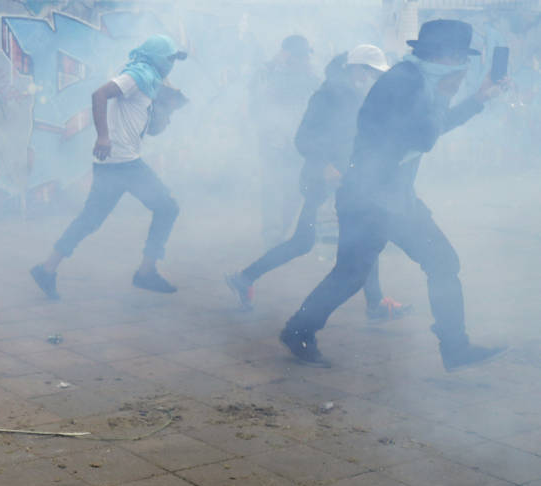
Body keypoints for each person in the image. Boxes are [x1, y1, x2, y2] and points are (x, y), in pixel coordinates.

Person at [280, 20, 507, 372]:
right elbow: (425, 137)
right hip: (371, 199)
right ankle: (298, 330)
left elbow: (432, 127)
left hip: (388, 197)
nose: (464, 66)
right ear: (444, 56)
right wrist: (449, 94)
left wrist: (476, 99)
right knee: (353, 275)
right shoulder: (405, 83)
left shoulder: (419, 80)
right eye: (460, 58)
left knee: (434, 263)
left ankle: (455, 345)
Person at [227, 45, 410, 321]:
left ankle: (375, 303)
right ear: (356, 68)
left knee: (362, 238)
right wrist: (326, 165)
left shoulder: (356, 94)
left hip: (347, 180)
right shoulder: (326, 96)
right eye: (370, 71)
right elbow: (303, 139)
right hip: (321, 180)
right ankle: (245, 278)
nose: (373, 78)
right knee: (308, 241)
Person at [30, 34, 188, 299]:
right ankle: (146, 272)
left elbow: (148, 127)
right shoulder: (137, 74)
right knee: (167, 207)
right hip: (122, 165)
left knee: (90, 220)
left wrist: (165, 111)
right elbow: (99, 94)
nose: (172, 63)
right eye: (170, 58)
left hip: (119, 164)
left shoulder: (151, 80)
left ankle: (47, 269)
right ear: (157, 57)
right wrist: (103, 136)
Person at [250, 34, 319, 246]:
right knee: (272, 186)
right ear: (289, 57)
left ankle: (283, 230)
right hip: (274, 141)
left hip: (300, 143)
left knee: (295, 188)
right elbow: (254, 94)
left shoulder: (310, 78)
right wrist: (272, 65)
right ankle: (271, 233)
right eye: (302, 56)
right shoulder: (270, 76)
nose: (306, 60)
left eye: (306, 56)